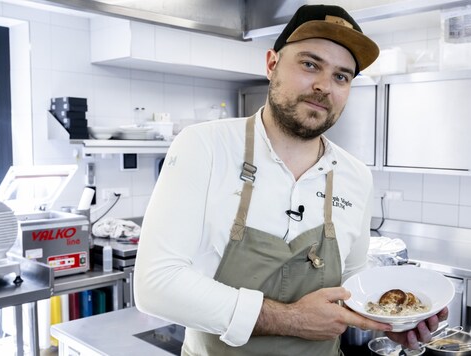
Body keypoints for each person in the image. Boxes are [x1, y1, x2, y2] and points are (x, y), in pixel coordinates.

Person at [134, 4, 447, 355]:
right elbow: (154, 285)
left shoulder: (355, 176)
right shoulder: (204, 147)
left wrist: (390, 319)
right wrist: (292, 318)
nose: (323, 86)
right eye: (310, 64)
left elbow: (351, 287)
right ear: (271, 64)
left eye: (341, 76)